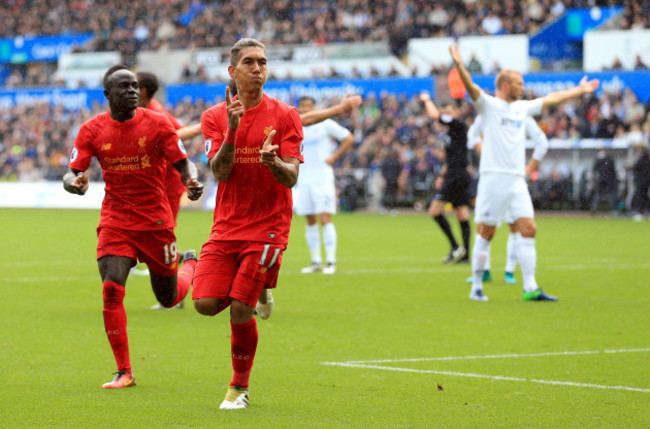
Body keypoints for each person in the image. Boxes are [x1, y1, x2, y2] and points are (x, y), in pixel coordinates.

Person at [63, 65, 204, 388]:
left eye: (134, 86)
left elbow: (183, 163)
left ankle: (190, 265)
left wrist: (191, 180)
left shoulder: (158, 123)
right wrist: (75, 182)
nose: (131, 91)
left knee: (168, 298)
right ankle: (124, 371)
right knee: (111, 289)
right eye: (123, 86)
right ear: (107, 95)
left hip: (155, 221)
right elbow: (72, 171)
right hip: (116, 219)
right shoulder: (91, 129)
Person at [192, 38, 303, 410]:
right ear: (232, 71)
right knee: (205, 304)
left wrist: (273, 163)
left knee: (241, 306)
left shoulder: (286, 115)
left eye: (263, 62)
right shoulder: (214, 117)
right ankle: (253, 285)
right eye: (250, 62)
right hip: (227, 227)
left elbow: (291, 178)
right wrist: (234, 131)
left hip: (269, 227)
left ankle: (238, 388)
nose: (258, 69)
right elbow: (220, 172)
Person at [449, 43, 599, 302]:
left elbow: (551, 99)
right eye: (518, 83)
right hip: (493, 178)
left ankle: (530, 287)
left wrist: (580, 90)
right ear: (505, 85)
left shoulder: (522, 109)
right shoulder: (489, 105)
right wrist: (460, 65)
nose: (522, 86)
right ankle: (476, 287)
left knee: (528, 228)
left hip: (516, 179)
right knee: (487, 232)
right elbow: (472, 88)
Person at [136, 71, 204, 309]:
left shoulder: (155, 112)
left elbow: (176, 134)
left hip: (168, 183)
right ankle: (185, 265)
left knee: (161, 238)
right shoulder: (150, 107)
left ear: (142, 91)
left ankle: (183, 280)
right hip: (154, 184)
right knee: (151, 241)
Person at [465, 113, 549, 285]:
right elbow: (472, 134)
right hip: (491, 179)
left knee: (517, 226)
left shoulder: (521, 113)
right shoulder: (489, 112)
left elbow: (542, 142)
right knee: (483, 227)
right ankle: (483, 272)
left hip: (512, 179)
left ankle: (509, 271)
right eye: (516, 84)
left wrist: (529, 168)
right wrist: (484, 150)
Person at [295, 95, 355, 275]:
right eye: (302, 106)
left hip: (322, 178)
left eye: (308, 106)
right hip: (303, 178)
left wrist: (335, 157)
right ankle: (315, 261)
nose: (305, 109)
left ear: (315, 107)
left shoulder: (325, 123)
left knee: (325, 218)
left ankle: (330, 261)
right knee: (309, 218)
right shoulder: (296, 125)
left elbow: (349, 138)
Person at [419, 92, 471, 264]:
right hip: (456, 174)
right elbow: (451, 157)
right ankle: (465, 254)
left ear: (456, 111)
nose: (446, 114)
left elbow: (435, 116)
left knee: (435, 211)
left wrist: (427, 99)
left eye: (448, 111)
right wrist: (442, 174)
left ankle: (456, 247)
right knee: (462, 214)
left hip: (457, 175)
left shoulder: (458, 124)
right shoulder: (452, 132)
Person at [590, 149, 618, 214]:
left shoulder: (598, 159)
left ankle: (595, 207)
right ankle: (613, 209)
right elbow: (613, 170)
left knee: (598, 193)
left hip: (601, 178)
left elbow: (594, 169)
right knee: (611, 193)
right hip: (609, 179)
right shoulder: (609, 159)